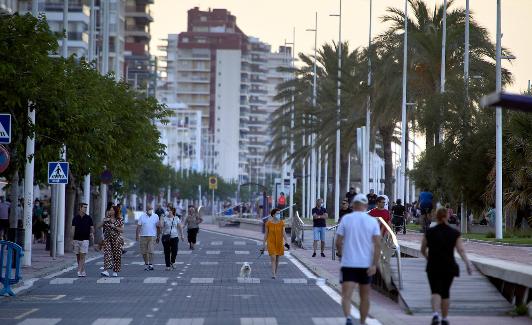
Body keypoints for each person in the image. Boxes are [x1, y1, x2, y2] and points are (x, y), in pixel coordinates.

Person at [421, 207, 472, 325]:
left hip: (433, 265)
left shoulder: (429, 232)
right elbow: (461, 250)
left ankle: (435, 315)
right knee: (445, 292)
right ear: (447, 217)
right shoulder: (454, 233)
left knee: (435, 291)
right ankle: (444, 319)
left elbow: (423, 250)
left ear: (436, 217)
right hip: (449, 266)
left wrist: (428, 258)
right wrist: (467, 264)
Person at [335, 194, 381, 325]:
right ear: (366, 206)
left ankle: (348, 318)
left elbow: (338, 242)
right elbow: (378, 244)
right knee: (365, 296)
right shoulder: (372, 221)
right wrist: (374, 264)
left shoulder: (346, 219)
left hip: (349, 263)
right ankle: (362, 322)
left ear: (353, 205)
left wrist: (341, 254)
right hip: (366, 264)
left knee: (346, 295)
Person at [262, 208, 290, 279]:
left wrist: (287, 241)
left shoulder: (281, 223)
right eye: (277, 213)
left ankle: (275, 272)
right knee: (273, 257)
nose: (279, 215)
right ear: (273, 214)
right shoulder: (268, 223)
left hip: (279, 242)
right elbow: (266, 234)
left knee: (277, 259)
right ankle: (273, 274)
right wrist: (263, 244)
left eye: (279, 213)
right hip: (271, 242)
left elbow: (284, 232)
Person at [100, 205, 124, 277]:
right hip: (107, 239)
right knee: (107, 253)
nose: (111, 211)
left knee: (116, 255)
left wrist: (115, 227)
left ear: (115, 211)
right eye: (110, 210)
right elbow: (98, 226)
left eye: (112, 210)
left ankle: (115, 271)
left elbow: (122, 230)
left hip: (116, 239)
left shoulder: (119, 219)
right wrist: (103, 221)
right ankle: (106, 270)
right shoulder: (106, 219)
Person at [71, 203, 94, 277]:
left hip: (85, 239)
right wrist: (72, 239)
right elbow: (73, 229)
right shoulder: (75, 218)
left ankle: (78, 270)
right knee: (78, 256)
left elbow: (92, 228)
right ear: (80, 208)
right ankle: (82, 270)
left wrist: (91, 233)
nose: (85, 209)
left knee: (82, 255)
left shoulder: (89, 218)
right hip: (76, 239)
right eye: (84, 207)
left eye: (86, 207)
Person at [136, 205, 160, 271]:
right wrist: (137, 235)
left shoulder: (156, 216)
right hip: (143, 236)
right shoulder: (142, 216)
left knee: (151, 250)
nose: (150, 210)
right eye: (149, 209)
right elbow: (138, 226)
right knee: (144, 252)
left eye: (151, 209)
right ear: (146, 210)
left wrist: (158, 236)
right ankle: (146, 264)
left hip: (152, 236)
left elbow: (158, 227)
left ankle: (151, 264)